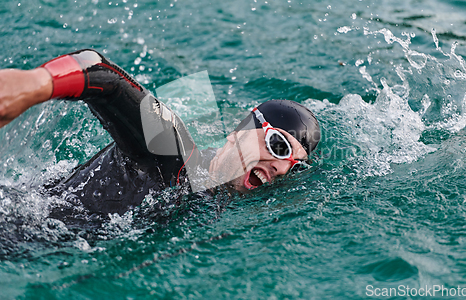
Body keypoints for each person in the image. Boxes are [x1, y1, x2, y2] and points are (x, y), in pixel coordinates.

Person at [0, 49, 321, 218]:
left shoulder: (218, 206)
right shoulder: (173, 154)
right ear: (242, 129)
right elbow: (100, 73)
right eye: (278, 146)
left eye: (293, 166)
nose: (281, 167)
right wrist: (32, 86)